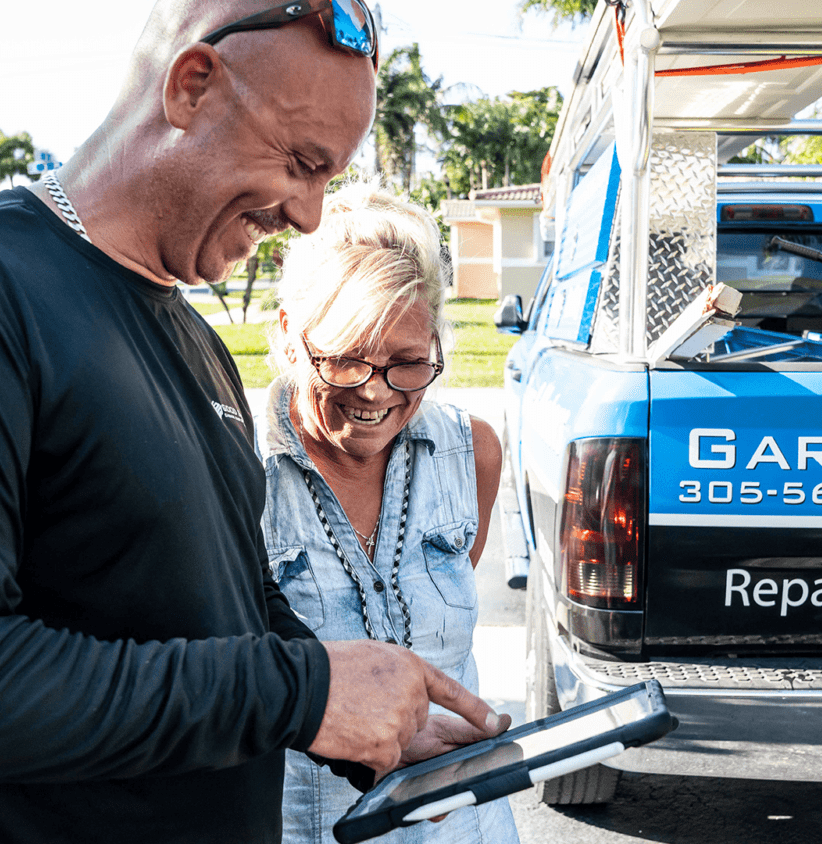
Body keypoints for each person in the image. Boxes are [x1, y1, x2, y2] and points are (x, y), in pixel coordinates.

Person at [0, 2, 508, 842]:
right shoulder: (15, 291)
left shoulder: (197, 342)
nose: (309, 217)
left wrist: (362, 715)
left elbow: (235, 599)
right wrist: (298, 694)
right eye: (303, 163)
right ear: (192, 86)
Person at [255, 181, 522, 843]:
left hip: (462, 826)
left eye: (407, 362)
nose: (374, 393)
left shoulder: (473, 450)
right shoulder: (231, 468)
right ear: (290, 334)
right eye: (345, 360)